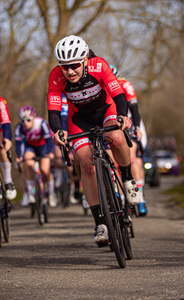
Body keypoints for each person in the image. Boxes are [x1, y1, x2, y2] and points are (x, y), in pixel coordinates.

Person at [47, 35, 140, 246]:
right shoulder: (55, 76)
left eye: (74, 66)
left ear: (84, 61)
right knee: (86, 163)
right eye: (64, 67)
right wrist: (57, 131)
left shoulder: (99, 65)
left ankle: (127, 179)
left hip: (106, 109)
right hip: (79, 119)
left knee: (116, 138)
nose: (69, 71)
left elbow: (118, 95)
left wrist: (123, 116)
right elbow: (53, 111)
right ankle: (100, 223)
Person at [109, 65, 148, 216]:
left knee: (132, 158)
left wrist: (137, 127)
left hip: (129, 122)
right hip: (111, 123)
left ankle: (141, 198)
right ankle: (119, 198)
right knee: (113, 162)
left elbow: (134, 109)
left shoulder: (125, 85)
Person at [15, 106, 57, 207]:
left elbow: (48, 139)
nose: (25, 123)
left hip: (43, 147)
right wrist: (19, 156)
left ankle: (51, 193)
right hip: (31, 148)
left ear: (34, 118)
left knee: (45, 170)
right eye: (23, 120)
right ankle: (30, 192)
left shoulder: (41, 123)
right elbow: (18, 143)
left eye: (28, 120)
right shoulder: (20, 127)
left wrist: (50, 152)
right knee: (28, 164)